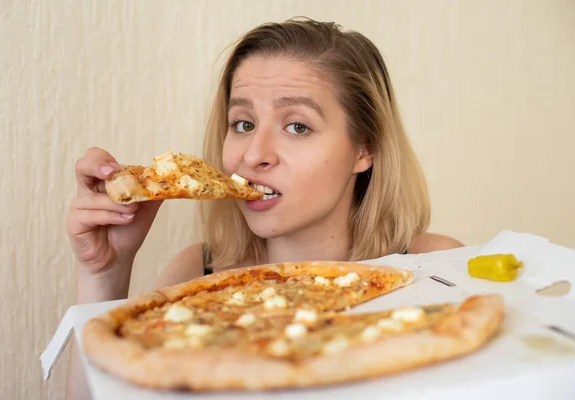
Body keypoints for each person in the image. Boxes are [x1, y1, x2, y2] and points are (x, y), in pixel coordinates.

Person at [65, 17, 463, 399]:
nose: (254, 156)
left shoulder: (438, 269)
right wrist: (105, 273)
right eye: (243, 123)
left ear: (365, 148)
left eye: (297, 126)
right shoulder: (195, 276)